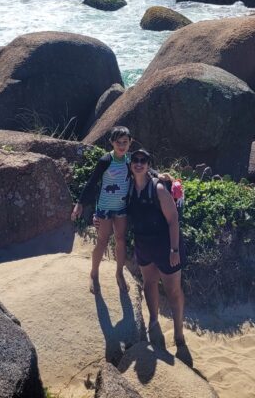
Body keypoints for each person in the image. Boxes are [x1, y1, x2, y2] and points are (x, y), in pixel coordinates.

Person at [126, 148, 186, 350]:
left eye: (144, 160)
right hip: (143, 244)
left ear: (148, 165)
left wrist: (175, 249)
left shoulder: (158, 188)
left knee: (173, 291)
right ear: (131, 164)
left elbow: (173, 220)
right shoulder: (129, 188)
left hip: (165, 245)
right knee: (149, 283)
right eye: (135, 160)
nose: (139, 163)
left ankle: (179, 335)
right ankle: (154, 321)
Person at [71, 126, 132, 292]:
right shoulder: (106, 160)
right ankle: (94, 273)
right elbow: (92, 183)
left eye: (125, 142)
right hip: (104, 208)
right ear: (112, 142)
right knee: (103, 241)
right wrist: (80, 203)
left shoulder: (130, 160)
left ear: (129, 143)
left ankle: (119, 273)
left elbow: (147, 170)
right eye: (118, 142)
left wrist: (159, 176)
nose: (121, 145)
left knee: (120, 240)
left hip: (121, 208)